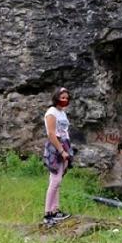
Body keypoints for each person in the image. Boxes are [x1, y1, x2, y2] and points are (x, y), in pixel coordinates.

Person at [41, 87, 74, 226]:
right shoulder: (51, 112)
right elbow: (51, 134)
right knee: (55, 180)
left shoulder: (62, 112)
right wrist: (61, 150)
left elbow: (64, 131)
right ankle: (47, 214)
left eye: (67, 98)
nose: (65, 100)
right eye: (62, 98)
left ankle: (55, 210)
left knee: (58, 180)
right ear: (56, 98)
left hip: (64, 144)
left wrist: (67, 149)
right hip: (55, 146)